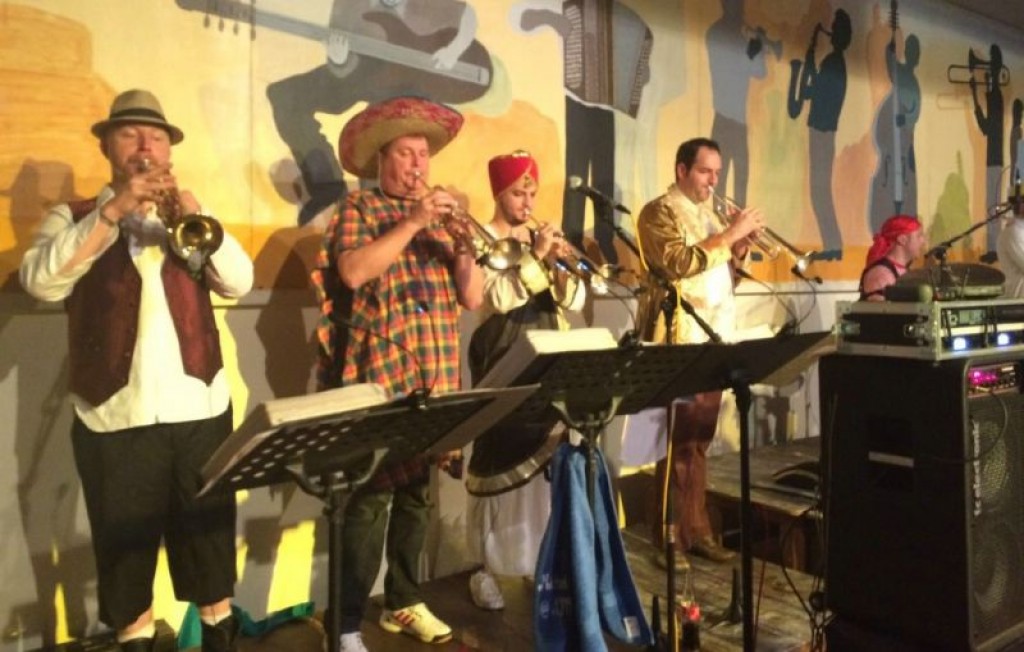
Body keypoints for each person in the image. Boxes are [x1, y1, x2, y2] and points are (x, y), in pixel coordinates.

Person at [18, 89, 254, 652]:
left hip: (199, 411)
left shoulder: (189, 214)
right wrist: (114, 212)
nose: (146, 145)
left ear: (169, 152)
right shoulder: (74, 217)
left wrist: (194, 215)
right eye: (130, 134)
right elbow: (40, 282)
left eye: (157, 137)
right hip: (113, 418)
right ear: (107, 147)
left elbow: (239, 282)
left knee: (209, 554)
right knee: (125, 563)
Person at [310, 96, 484, 652]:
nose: (417, 165)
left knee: (417, 498)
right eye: (406, 153)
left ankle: (403, 601)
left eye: (423, 155)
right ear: (381, 160)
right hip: (379, 379)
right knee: (366, 506)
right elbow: (353, 272)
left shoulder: (442, 221)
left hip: (435, 373)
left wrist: (465, 247)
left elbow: (472, 297)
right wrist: (412, 222)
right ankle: (343, 623)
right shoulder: (359, 209)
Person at [464, 150, 585, 611]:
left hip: (547, 357)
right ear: (499, 193)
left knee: (543, 470)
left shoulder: (538, 238)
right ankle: (484, 568)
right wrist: (535, 257)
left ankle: (538, 561)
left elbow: (574, 300)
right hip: (503, 357)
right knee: (497, 460)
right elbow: (496, 296)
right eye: (518, 193)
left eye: (532, 193)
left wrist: (560, 265)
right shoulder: (481, 236)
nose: (528, 202)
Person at [635, 137, 763, 568]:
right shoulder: (658, 212)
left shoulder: (709, 216)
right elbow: (677, 264)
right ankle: (669, 536)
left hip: (714, 335)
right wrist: (730, 235)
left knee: (700, 441)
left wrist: (738, 250)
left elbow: (721, 279)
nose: (713, 181)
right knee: (676, 443)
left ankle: (699, 529)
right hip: (678, 338)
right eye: (706, 171)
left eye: (717, 173)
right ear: (682, 170)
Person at [858, 214, 926, 301]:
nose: (923, 241)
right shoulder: (881, 274)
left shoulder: (904, 271)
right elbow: (881, 308)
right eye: (919, 236)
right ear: (902, 239)